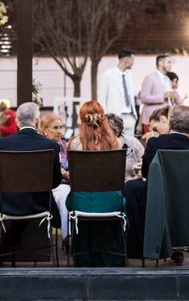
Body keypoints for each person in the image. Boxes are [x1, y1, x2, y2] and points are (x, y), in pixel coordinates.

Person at [125, 105, 189, 262]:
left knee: (131, 187)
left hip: (161, 198)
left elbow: (146, 173)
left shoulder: (155, 143)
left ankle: (143, 246)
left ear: (171, 123)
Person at [0, 102, 61, 263]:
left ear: (17, 120)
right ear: (37, 120)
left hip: (9, 204)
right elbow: (54, 182)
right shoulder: (51, 145)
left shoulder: (2, 144)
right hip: (41, 204)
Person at [67, 100, 123, 266]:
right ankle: (110, 255)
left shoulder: (75, 144)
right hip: (111, 203)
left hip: (81, 203)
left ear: (82, 120)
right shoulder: (116, 143)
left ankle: (83, 255)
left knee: (72, 198)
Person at [38, 113, 71, 249]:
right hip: (47, 185)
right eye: (55, 127)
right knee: (64, 195)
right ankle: (67, 238)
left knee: (67, 195)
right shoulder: (41, 145)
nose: (59, 131)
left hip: (63, 184)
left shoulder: (64, 145)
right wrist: (60, 172)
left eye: (60, 127)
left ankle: (68, 238)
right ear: (45, 130)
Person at [98, 49, 137, 136]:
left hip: (130, 117)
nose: (133, 62)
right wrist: (104, 117)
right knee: (115, 144)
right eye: (132, 60)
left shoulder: (130, 75)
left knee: (130, 145)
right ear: (126, 59)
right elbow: (102, 98)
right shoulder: (107, 75)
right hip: (114, 117)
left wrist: (134, 116)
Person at [139, 54, 182, 132]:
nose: (171, 65)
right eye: (169, 62)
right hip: (152, 119)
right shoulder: (149, 78)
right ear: (160, 63)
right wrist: (163, 96)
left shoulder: (168, 80)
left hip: (166, 120)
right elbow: (143, 98)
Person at [106, 113, 144, 182]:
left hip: (130, 182)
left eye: (105, 131)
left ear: (116, 132)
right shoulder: (97, 144)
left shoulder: (132, 143)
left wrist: (139, 174)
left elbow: (143, 161)